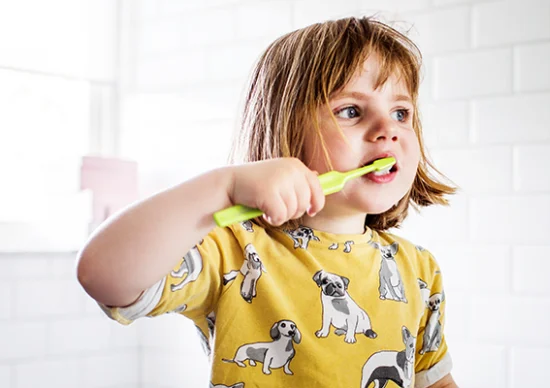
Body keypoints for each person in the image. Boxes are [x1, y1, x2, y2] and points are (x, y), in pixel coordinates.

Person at [77, 16, 458, 388]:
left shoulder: (419, 268)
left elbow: (434, 379)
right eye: (351, 111)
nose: (388, 130)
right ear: (286, 128)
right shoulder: (232, 252)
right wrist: (224, 187)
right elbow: (102, 274)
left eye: (400, 113)